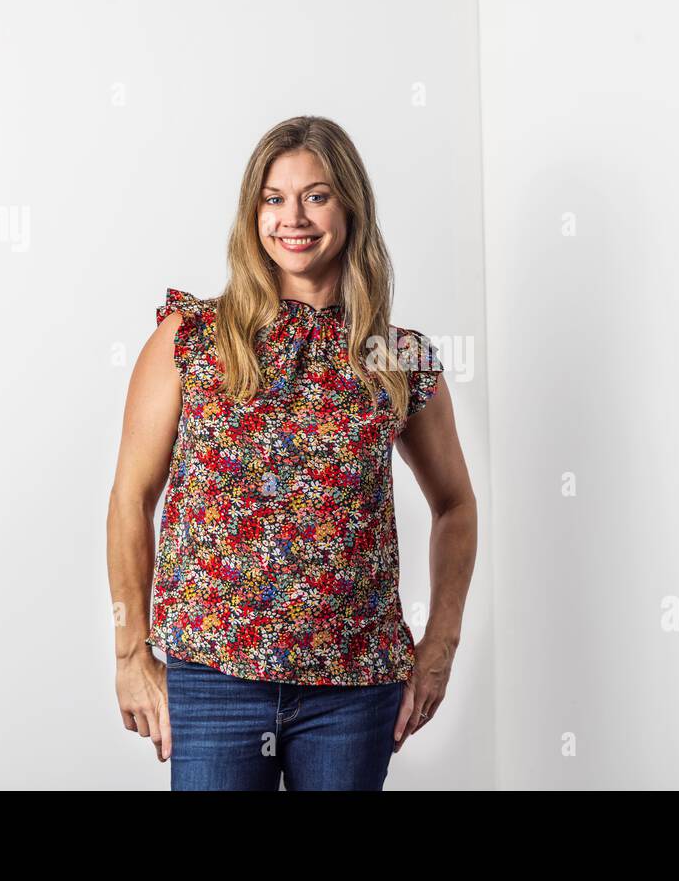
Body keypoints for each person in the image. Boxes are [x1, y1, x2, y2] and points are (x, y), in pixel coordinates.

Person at [106, 115, 477, 790]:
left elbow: (454, 504)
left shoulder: (396, 356)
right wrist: (132, 653)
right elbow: (131, 496)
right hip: (214, 680)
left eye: (317, 195)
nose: (292, 218)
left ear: (350, 207)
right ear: (253, 213)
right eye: (274, 198)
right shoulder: (192, 340)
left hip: (353, 688)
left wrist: (440, 647)